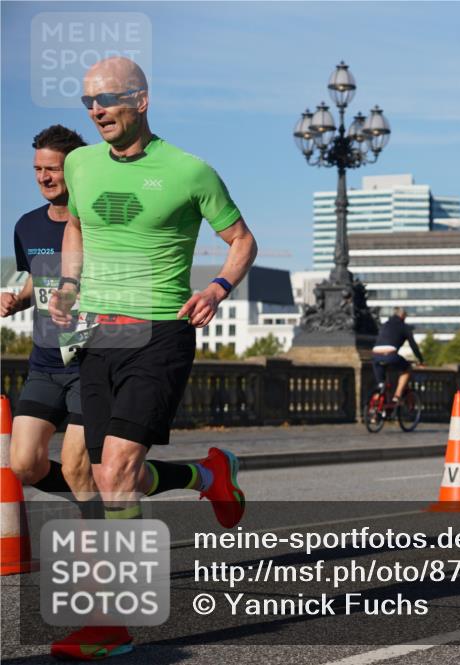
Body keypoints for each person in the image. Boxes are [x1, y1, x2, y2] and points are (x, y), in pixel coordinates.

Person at [47, 57, 258, 660]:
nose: (96, 109)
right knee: (93, 474)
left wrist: (217, 288)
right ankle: (208, 474)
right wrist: (67, 285)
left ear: (141, 99)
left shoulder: (190, 171)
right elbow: (78, 228)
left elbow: (242, 240)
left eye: (109, 97)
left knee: (114, 473)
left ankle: (109, 620)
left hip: (160, 332)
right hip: (99, 335)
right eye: (88, 99)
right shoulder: (81, 164)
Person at [1, 125, 99, 509]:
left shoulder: (97, 224)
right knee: (23, 464)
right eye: (38, 169)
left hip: (91, 361)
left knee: (80, 467)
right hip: (44, 362)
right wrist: (17, 300)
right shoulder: (26, 225)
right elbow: (37, 283)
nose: (44, 177)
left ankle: (101, 548)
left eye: (53, 169)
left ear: (74, 170)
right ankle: (95, 504)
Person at [372, 307, 424, 404]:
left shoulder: (385, 325)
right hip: (390, 354)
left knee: (381, 386)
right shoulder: (404, 327)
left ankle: (373, 411)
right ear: (403, 316)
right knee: (407, 368)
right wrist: (421, 360)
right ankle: (397, 396)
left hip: (375, 354)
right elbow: (413, 346)